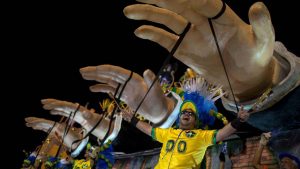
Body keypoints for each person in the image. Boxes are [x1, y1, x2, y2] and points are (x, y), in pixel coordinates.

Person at [121, 82, 250, 169]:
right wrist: (132, 120)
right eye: (184, 112)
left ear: (195, 120)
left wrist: (239, 120)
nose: (186, 114)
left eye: (190, 113)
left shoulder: (200, 136)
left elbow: (221, 134)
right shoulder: (169, 133)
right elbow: (149, 130)